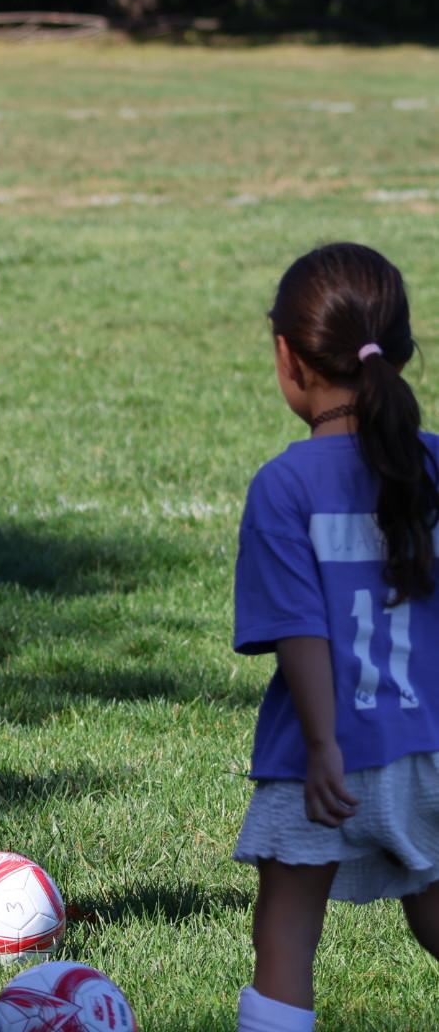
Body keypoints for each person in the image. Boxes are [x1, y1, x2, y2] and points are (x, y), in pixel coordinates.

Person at [233, 243, 439, 1031]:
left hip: (322, 761)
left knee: (287, 933)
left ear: (289, 358)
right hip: (429, 744)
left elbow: (299, 628)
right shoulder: (433, 468)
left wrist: (322, 744)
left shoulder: (285, 485)